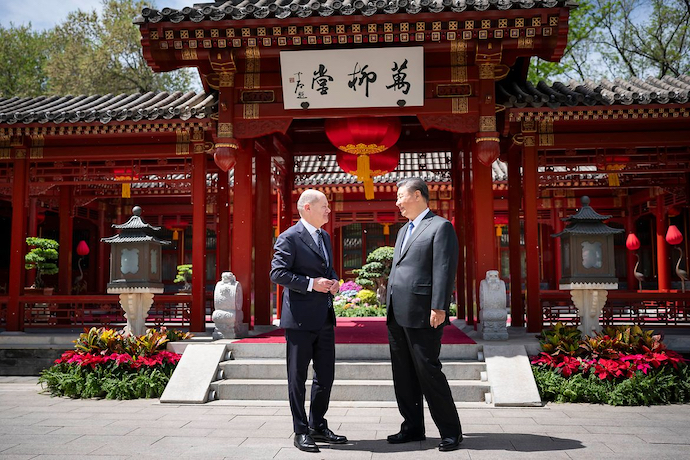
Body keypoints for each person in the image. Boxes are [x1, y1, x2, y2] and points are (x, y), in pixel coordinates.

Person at [385, 177, 463, 452]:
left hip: (423, 312)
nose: (397, 203)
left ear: (417, 195)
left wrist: (439, 306)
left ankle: (451, 431)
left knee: (428, 370)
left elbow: (443, 268)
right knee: (403, 373)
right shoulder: (403, 230)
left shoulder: (440, 227)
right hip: (396, 312)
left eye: (400, 197)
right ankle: (412, 426)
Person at [270, 189, 347, 453]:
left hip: (325, 316)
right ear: (306, 208)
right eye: (324, 206)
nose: (328, 210)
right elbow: (277, 273)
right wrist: (312, 284)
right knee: (297, 377)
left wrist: (334, 281)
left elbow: (327, 269)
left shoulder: (324, 236)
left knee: (326, 375)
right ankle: (300, 430)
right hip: (299, 320)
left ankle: (318, 424)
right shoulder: (288, 238)